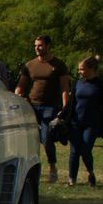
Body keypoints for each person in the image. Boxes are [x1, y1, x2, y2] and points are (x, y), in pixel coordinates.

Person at [15, 35, 71, 183]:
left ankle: (52, 167)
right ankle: (31, 169)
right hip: (31, 105)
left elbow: (65, 87)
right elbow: (21, 86)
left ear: (48, 46)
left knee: (46, 139)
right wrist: (18, 96)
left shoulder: (58, 65)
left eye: (40, 45)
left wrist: (65, 108)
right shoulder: (29, 65)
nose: (37, 48)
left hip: (49, 107)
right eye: (35, 46)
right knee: (30, 138)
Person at [67, 56, 103, 186]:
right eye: (79, 69)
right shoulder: (77, 83)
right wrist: (61, 117)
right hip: (75, 122)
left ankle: (91, 173)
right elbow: (71, 102)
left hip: (91, 123)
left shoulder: (100, 84)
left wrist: (101, 107)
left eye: (82, 69)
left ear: (91, 69)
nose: (79, 72)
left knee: (85, 150)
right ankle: (72, 179)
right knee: (74, 151)